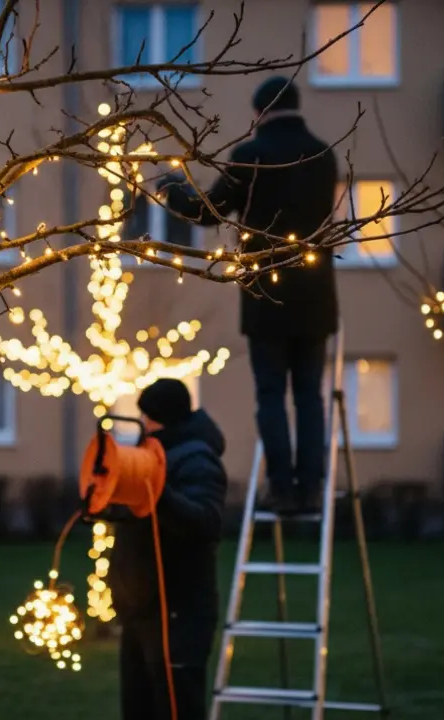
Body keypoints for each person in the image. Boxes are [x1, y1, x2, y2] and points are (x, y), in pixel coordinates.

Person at [157, 76, 339, 515]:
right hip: (316, 295)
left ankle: (281, 488)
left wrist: (171, 187)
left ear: (258, 114)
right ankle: (311, 487)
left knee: (271, 394)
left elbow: (208, 211)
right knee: (310, 395)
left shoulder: (250, 156)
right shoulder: (324, 156)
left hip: (265, 294)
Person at [110, 378, 227, 720]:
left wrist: (158, 493)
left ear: (159, 418)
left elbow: (206, 522)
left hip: (179, 613)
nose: (142, 421)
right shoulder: (151, 452)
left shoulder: (196, 458)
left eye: (147, 415)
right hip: (142, 611)